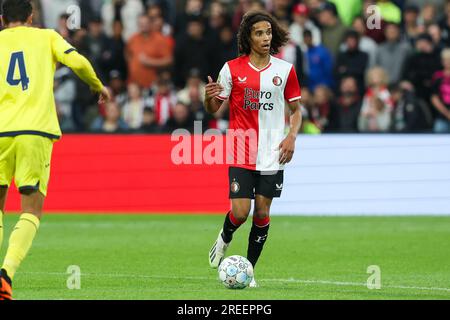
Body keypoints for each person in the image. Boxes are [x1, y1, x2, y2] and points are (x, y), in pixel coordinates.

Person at [0, 0, 110, 300]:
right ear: (31, 17)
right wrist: (97, 85)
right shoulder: (46, 36)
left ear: (1, 19)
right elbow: (79, 62)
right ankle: (6, 274)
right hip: (34, 131)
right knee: (31, 209)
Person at [204, 10, 302, 287]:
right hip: (241, 149)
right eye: (259, 33)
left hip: (273, 153)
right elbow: (214, 107)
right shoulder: (231, 69)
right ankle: (224, 238)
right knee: (241, 212)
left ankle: (250, 271)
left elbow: (296, 110)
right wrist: (207, 97)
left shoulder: (284, 71)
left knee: (261, 213)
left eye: (268, 32)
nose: (265, 38)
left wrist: (292, 136)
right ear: (248, 37)